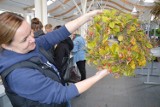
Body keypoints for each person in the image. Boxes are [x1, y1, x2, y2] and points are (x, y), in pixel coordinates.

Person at [0, 10, 110, 107]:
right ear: (5, 45)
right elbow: (61, 93)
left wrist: (87, 16)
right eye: (24, 39)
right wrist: (98, 76)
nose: (32, 39)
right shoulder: (18, 74)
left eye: (30, 32)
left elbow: (59, 33)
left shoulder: (30, 46)